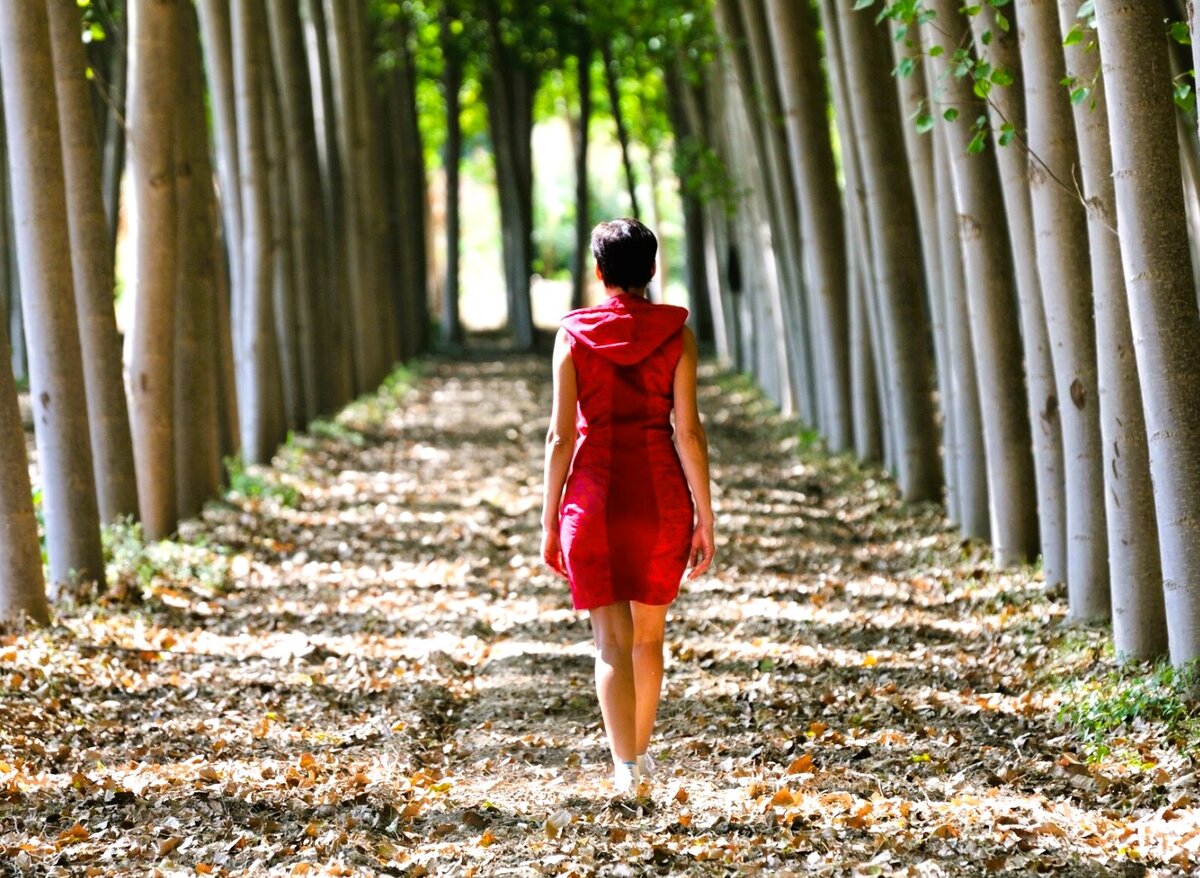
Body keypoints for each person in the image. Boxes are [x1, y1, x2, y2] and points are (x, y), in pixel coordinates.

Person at [541, 218, 715, 795]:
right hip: (661, 497)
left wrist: (548, 521)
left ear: (598, 272)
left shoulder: (573, 336)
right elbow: (688, 431)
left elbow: (560, 438)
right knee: (648, 639)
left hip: (591, 498)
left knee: (610, 642)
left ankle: (624, 770)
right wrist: (705, 515)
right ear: (652, 271)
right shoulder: (677, 334)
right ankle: (640, 760)